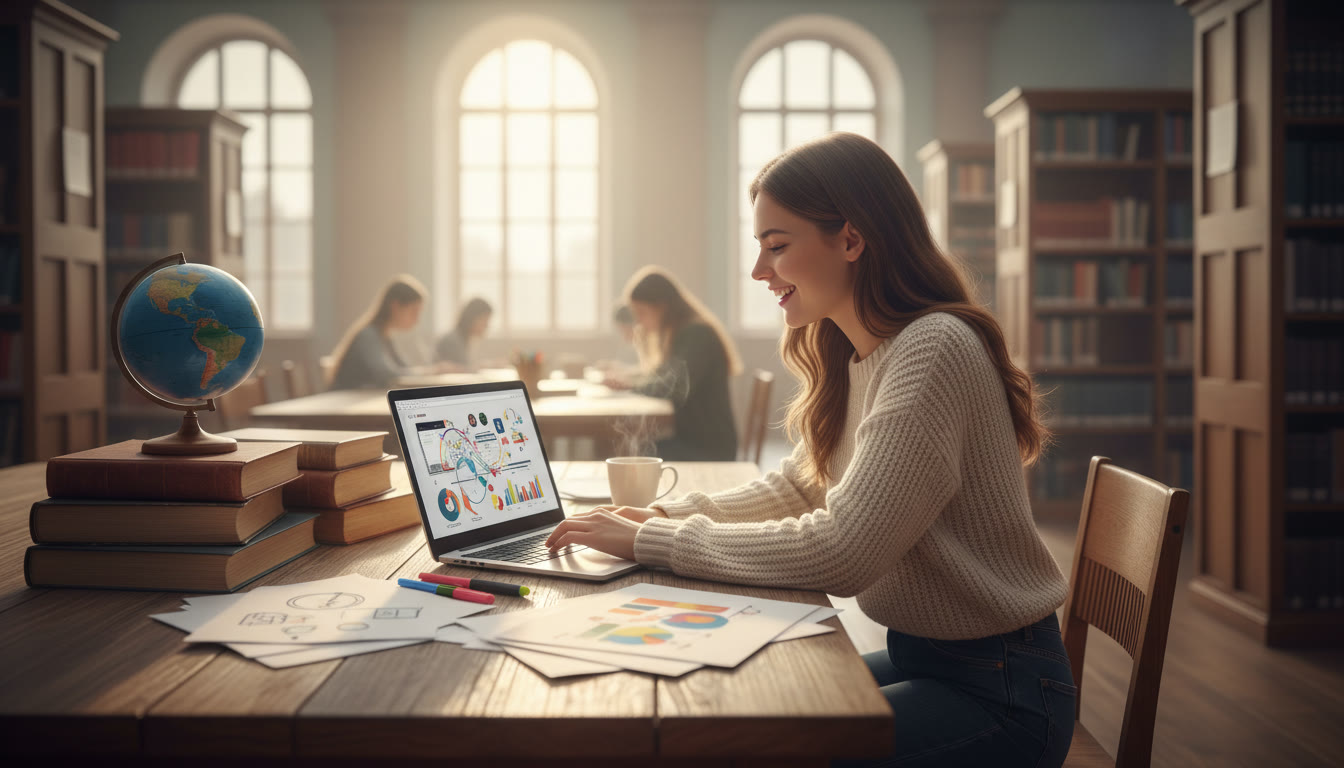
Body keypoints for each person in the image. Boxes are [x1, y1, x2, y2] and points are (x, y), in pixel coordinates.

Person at [546, 132, 1075, 768]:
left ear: (850, 240)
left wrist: (649, 543)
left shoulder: (932, 350)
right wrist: (661, 517)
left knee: (752, 745)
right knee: (737, 701)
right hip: (934, 659)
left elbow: (843, 551)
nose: (759, 271)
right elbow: (799, 487)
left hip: (1003, 694)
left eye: (777, 247)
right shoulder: (863, 354)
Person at [611, 266, 742, 461]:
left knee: (638, 453)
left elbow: (674, 387)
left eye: (642, 312)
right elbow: (662, 375)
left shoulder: (696, 334)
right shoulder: (686, 332)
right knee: (639, 449)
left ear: (663, 306)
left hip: (709, 447)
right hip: (697, 439)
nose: (638, 321)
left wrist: (629, 385)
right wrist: (631, 378)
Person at [327, 275, 431, 390]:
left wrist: (430, 371)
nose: (417, 319)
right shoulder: (368, 335)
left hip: (362, 398)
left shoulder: (385, 336)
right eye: (414, 311)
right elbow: (387, 375)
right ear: (395, 306)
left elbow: (402, 368)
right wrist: (427, 372)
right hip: (344, 401)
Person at [435, 297, 492, 370]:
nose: (487, 326)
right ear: (472, 319)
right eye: (485, 320)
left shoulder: (464, 338)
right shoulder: (452, 340)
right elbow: (462, 370)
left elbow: (466, 366)